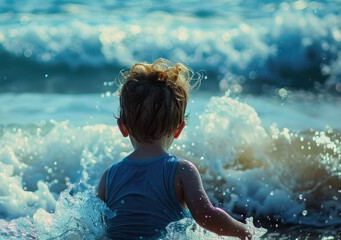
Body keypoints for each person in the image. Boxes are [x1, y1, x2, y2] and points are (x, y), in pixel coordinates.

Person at [97, 58, 251, 239]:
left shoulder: (109, 176)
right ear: (178, 129)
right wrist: (245, 232)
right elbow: (207, 216)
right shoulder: (181, 170)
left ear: (122, 127)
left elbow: (97, 225)